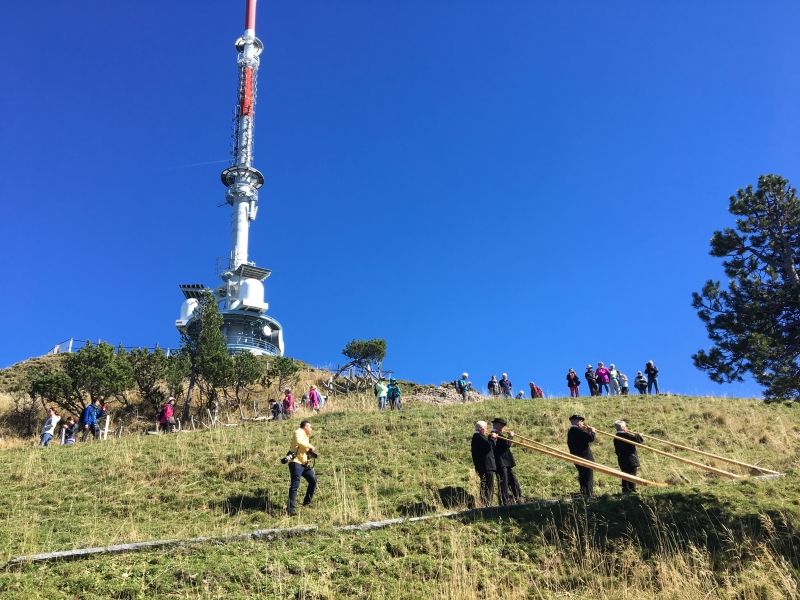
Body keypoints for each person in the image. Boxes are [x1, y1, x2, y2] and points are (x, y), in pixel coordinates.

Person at [286, 420, 318, 516]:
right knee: (295, 485)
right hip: (296, 463)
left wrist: (309, 453)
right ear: (305, 427)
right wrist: (311, 447)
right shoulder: (298, 432)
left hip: (304, 464)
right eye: (310, 427)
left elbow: (303, 448)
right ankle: (290, 509)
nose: (311, 429)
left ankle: (307, 502)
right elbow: (299, 442)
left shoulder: (305, 436)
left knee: (313, 480)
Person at [491, 417, 523, 505]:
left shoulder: (499, 434)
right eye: (501, 425)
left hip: (506, 462)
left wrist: (510, 437)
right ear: (495, 425)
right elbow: (504, 446)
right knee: (503, 483)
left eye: (503, 425)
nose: (502, 427)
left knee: (513, 480)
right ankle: (504, 502)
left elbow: (507, 445)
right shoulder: (493, 434)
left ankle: (518, 498)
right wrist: (510, 437)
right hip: (500, 463)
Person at [567, 414, 596, 498]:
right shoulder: (576, 431)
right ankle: (588, 495)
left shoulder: (572, 431)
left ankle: (584, 494)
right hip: (584, 458)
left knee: (583, 476)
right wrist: (592, 431)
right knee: (588, 477)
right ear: (575, 421)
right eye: (581, 421)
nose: (583, 423)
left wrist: (586, 430)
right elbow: (590, 438)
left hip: (579, 458)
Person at [613, 420, 644, 494]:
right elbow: (639, 442)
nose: (627, 427)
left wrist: (636, 436)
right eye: (625, 426)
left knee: (625, 474)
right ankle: (632, 491)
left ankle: (625, 491)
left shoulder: (616, 437)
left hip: (622, 459)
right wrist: (638, 435)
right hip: (630, 458)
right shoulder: (627, 435)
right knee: (632, 475)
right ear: (623, 428)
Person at [470, 421, 497, 506]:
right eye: (486, 428)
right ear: (482, 429)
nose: (487, 430)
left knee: (485, 485)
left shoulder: (479, 437)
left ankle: (485, 503)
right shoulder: (478, 437)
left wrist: (490, 438)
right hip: (486, 466)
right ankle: (487, 504)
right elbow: (488, 446)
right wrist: (493, 438)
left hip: (484, 466)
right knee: (488, 486)